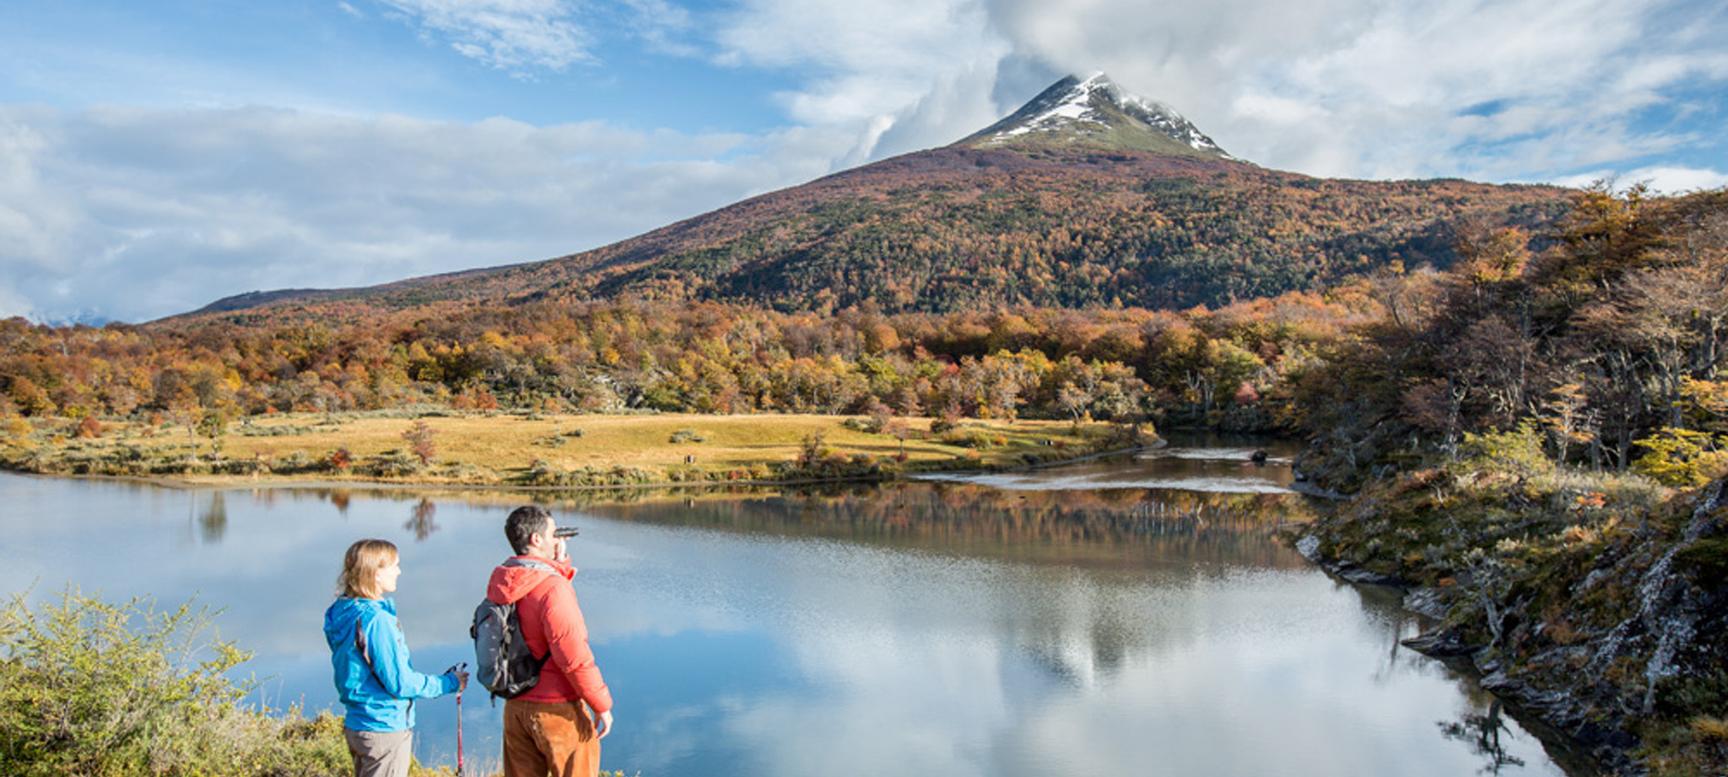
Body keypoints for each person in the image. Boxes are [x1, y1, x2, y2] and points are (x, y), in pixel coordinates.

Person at [324, 538, 468, 777]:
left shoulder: (342, 611)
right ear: (375, 573)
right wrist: (449, 683)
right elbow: (400, 683)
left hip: (358, 724)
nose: (399, 571)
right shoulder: (377, 620)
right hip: (383, 728)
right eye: (394, 565)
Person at [488, 506, 615, 777]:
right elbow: (573, 655)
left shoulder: (504, 582)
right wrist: (601, 704)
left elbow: (537, 590)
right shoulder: (553, 588)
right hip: (557, 710)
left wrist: (559, 564)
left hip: (515, 707)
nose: (557, 538)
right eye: (553, 532)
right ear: (536, 539)